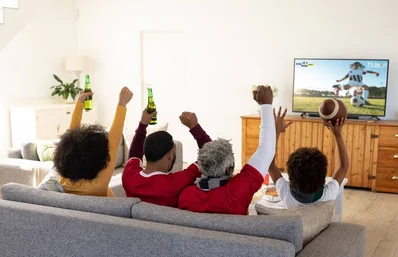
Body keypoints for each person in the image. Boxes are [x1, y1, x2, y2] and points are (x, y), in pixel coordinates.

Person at [178, 85, 276, 215]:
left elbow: (210, 155)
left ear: (201, 167)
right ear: (228, 169)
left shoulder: (186, 196)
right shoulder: (237, 192)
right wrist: (266, 106)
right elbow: (266, 150)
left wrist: (194, 127)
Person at [45, 87, 133, 197]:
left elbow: (70, 136)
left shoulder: (63, 180)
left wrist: (79, 103)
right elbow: (114, 140)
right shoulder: (99, 183)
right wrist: (122, 103)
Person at [121, 109, 212, 207]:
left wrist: (143, 124)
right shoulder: (176, 183)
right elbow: (212, 156)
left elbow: (134, 154)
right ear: (169, 155)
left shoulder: (129, 175)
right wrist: (194, 126)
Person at [268, 113, 349, 209]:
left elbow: (270, 164)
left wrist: (277, 132)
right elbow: (344, 166)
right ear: (323, 178)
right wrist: (338, 135)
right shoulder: (328, 194)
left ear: (290, 177)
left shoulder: (285, 192)